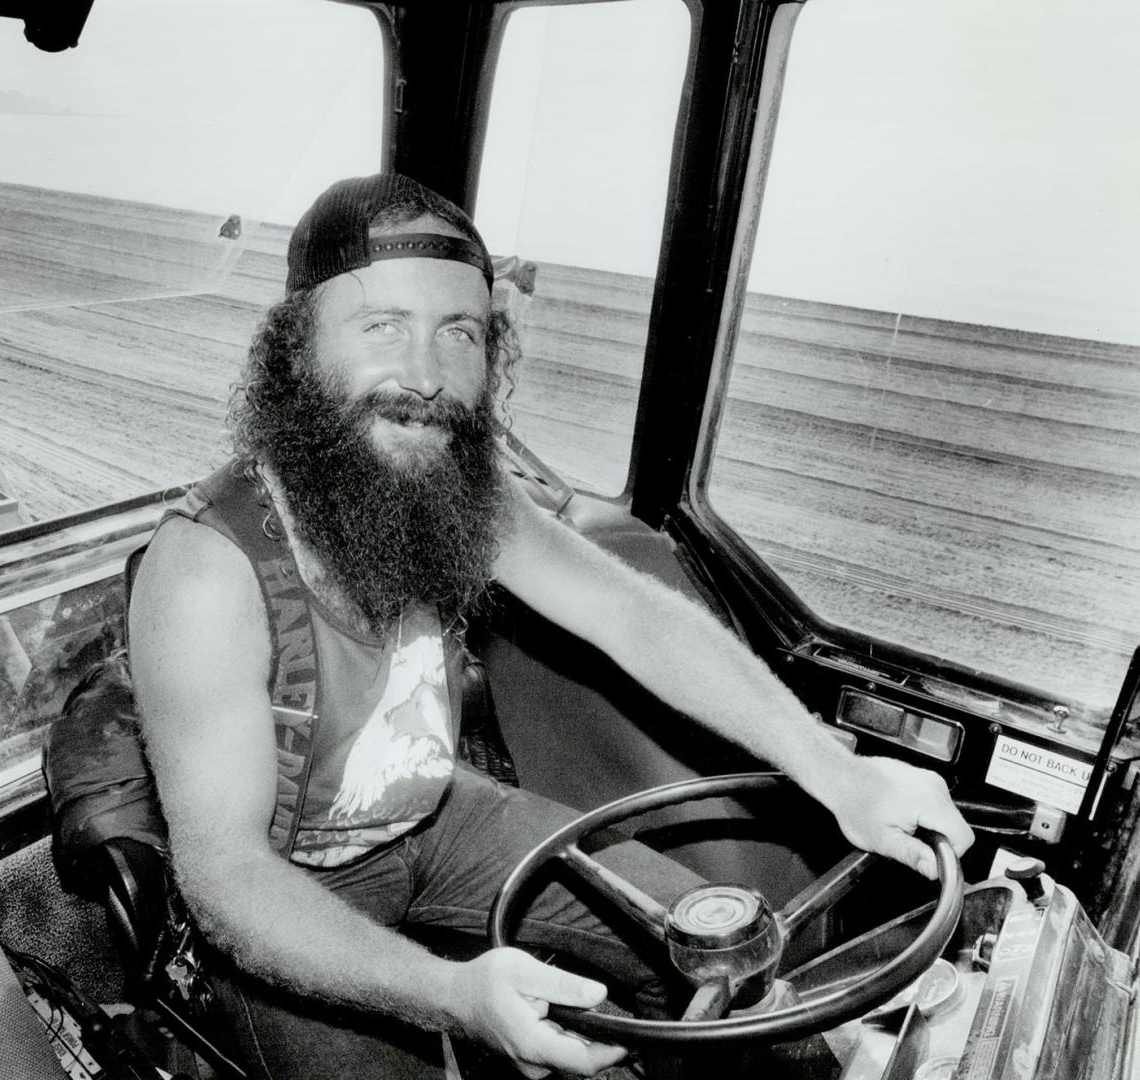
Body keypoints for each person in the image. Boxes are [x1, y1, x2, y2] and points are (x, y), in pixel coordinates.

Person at [127, 173, 974, 1078]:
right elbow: (226, 879)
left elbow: (631, 615)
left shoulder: (448, 483)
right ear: (296, 348)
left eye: (458, 333)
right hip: (288, 879)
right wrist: (453, 995)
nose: (423, 376)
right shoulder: (205, 572)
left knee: (719, 952)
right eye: (382, 327)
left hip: (435, 814)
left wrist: (833, 770)